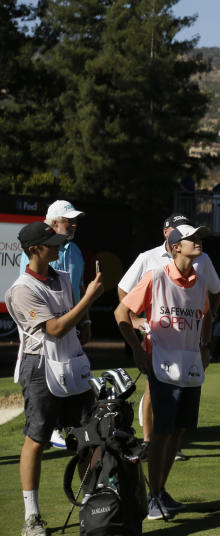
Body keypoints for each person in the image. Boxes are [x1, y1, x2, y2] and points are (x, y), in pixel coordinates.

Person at [5, 221, 103, 536]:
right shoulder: (20, 290)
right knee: (37, 439)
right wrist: (89, 300)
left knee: (90, 438)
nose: (59, 246)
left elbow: (72, 318)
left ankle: (93, 503)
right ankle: (31, 518)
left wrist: (84, 315)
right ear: (35, 249)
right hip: (39, 367)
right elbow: (56, 329)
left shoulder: (61, 278)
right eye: (52, 242)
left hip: (72, 364)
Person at [115, 223, 213, 520]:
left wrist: (205, 345)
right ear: (175, 247)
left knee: (178, 431)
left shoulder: (199, 281)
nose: (198, 242)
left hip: (190, 365)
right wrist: (136, 348)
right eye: (191, 238)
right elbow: (122, 313)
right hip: (162, 363)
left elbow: (206, 313)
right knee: (162, 431)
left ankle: (159, 489)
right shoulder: (156, 276)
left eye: (198, 237)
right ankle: (153, 496)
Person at [118, 213, 220, 461]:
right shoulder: (149, 260)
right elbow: (124, 294)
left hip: (189, 345)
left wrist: (206, 328)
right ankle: (148, 442)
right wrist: (135, 322)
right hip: (159, 340)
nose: (197, 241)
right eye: (190, 235)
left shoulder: (202, 262)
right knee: (152, 392)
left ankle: (168, 453)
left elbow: (212, 296)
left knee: (178, 416)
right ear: (170, 236)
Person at [18, 199, 91, 450]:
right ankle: (54, 428)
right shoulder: (37, 253)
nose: (73, 225)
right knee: (51, 376)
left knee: (71, 374)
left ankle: (67, 426)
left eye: (75, 221)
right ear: (53, 223)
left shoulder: (75, 250)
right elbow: (33, 291)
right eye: (68, 220)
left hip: (74, 322)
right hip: (49, 328)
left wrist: (87, 319)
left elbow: (78, 287)